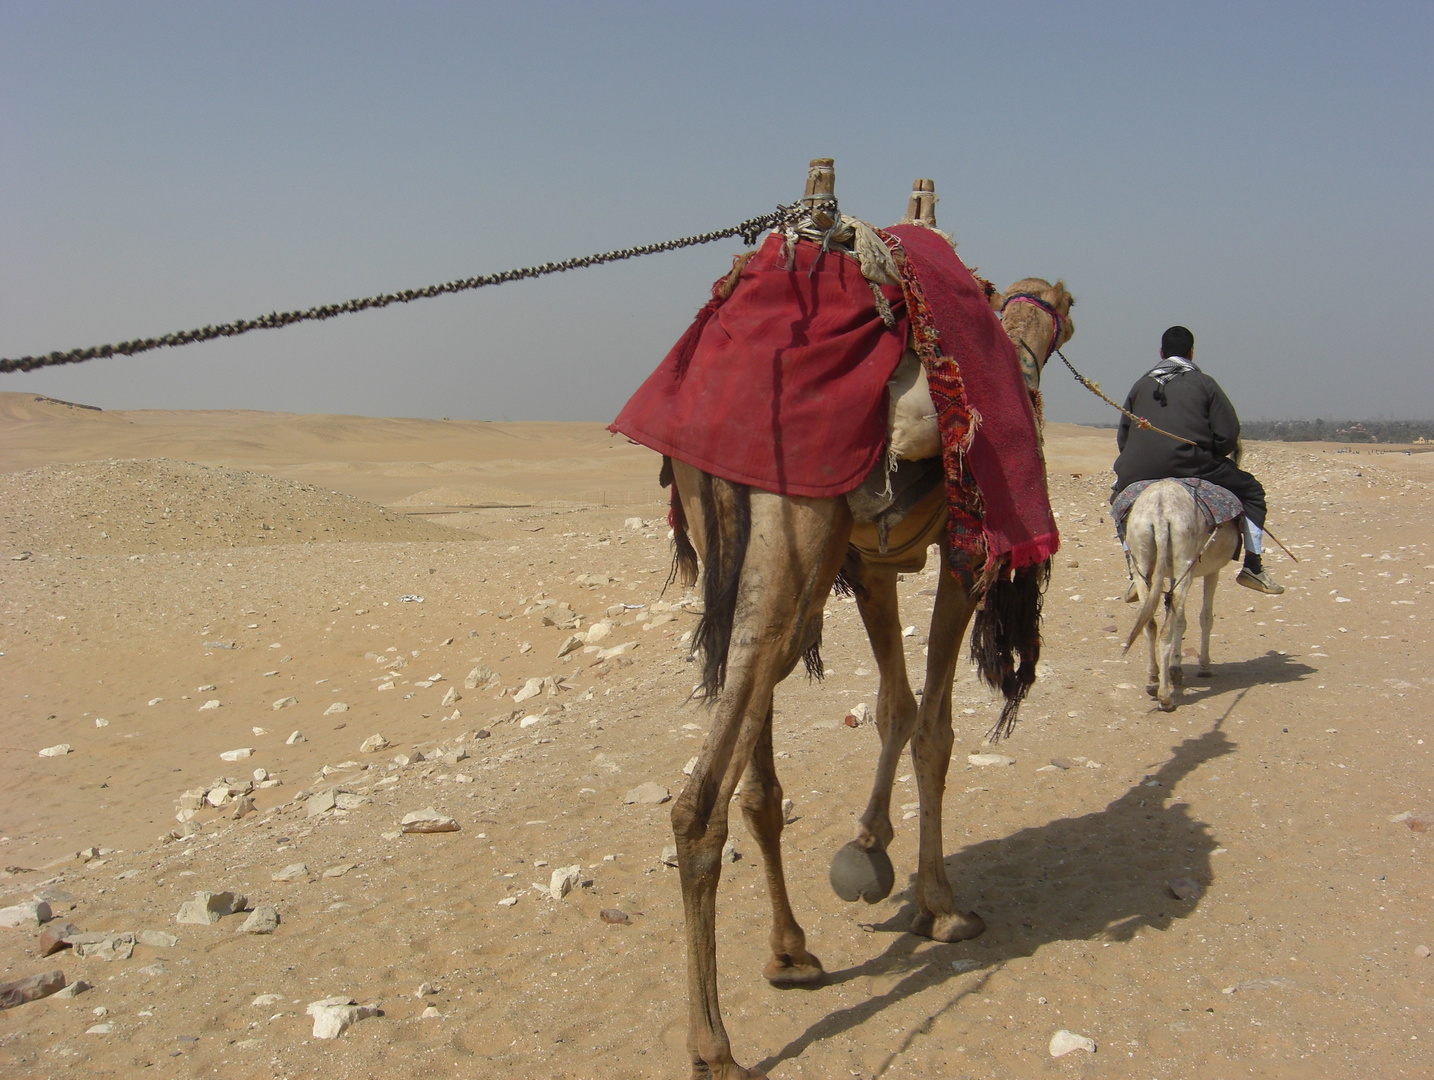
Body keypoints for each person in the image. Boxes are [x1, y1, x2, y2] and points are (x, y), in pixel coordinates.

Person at [1111, 325, 1283, 595]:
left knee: (1118, 501)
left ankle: (1134, 572)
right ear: (1191, 352)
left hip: (1137, 468)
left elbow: (1123, 438)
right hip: (1192, 462)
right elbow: (1228, 434)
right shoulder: (1205, 383)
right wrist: (1210, 449)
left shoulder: (1140, 385)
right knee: (1252, 491)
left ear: (1161, 352)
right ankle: (1253, 565)